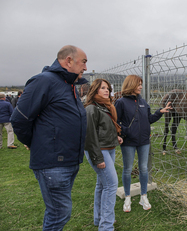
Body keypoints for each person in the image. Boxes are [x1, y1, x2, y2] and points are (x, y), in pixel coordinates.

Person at [10, 45, 88, 230]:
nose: (85, 67)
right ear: (68, 60)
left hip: (68, 160)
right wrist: (33, 142)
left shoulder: (69, 86)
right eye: (83, 62)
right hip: (53, 162)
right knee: (60, 213)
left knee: (56, 211)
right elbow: (19, 118)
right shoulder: (44, 81)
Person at [114, 74, 171, 212]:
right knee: (127, 169)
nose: (141, 86)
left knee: (144, 168)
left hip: (144, 141)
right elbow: (116, 121)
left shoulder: (144, 102)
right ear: (131, 84)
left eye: (141, 84)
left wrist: (159, 112)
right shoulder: (121, 102)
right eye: (138, 84)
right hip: (128, 141)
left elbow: (149, 119)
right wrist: (125, 132)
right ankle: (127, 197)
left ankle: (143, 196)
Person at [84, 78, 123, 230]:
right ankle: (106, 226)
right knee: (111, 185)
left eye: (108, 88)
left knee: (102, 184)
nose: (107, 90)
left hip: (109, 148)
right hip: (99, 151)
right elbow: (90, 135)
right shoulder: (91, 109)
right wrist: (97, 158)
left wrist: (116, 136)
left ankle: (99, 218)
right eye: (103, 88)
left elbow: (105, 129)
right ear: (94, 91)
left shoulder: (105, 107)